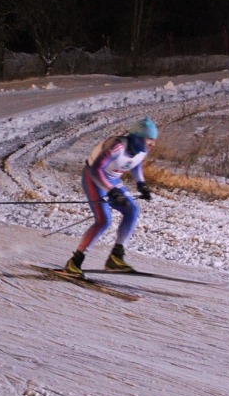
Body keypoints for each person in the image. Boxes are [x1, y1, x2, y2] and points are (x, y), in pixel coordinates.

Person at [61, 116, 158, 278]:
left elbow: (135, 165)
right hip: (94, 178)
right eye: (149, 139)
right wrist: (110, 191)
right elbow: (96, 170)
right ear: (138, 137)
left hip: (112, 179)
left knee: (132, 210)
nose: (152, 144)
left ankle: (116, 257)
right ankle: (74, 262)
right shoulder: (116, 146)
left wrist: (141, 184)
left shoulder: (142, 150)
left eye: (154, 139)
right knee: (104, 220)